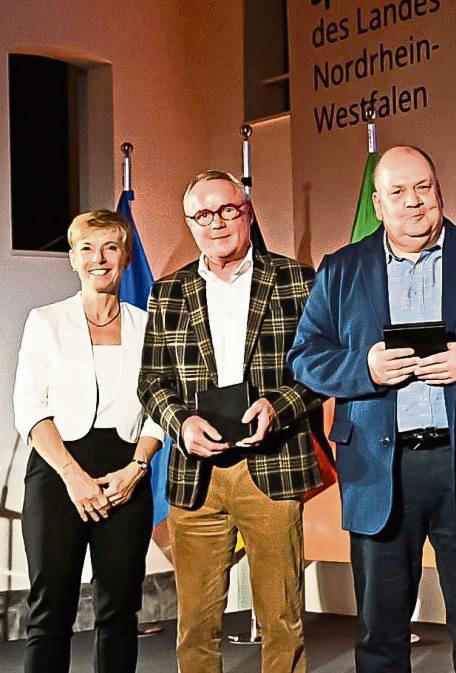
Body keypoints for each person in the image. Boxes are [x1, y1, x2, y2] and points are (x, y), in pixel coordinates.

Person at [288, 145, 456, 673]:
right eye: (398, 192)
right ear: (378, 202)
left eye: (423, 188)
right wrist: (364, 369)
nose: (413, 203)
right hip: (378, 470)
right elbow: (304, 358)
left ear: (438, 190)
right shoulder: (342, 268)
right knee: (380, 632)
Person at [138, 170, 322, 673]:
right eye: (202, 215)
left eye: (227, 210)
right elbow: (151, 380)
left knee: (281, 617)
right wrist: (181, 424)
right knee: (196, 624)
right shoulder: (167, 292)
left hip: (272, 465)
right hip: (195, 475)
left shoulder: (296, 280)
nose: (216, 223)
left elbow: (321, 369)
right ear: (189, 224)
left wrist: (277, 407)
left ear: (248, 212)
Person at [13, 209, 164, 673]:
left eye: (111, 247)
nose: (99, 258)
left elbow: (161, 408)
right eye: (87, 248)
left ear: (126, 256)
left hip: (126, 473)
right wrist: (73, 476)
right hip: (58, 470)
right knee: (50, 609)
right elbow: (30, 408)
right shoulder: (46, 321)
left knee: (119, 610)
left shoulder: (148, 325)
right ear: (73, 260)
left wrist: (138, 467)